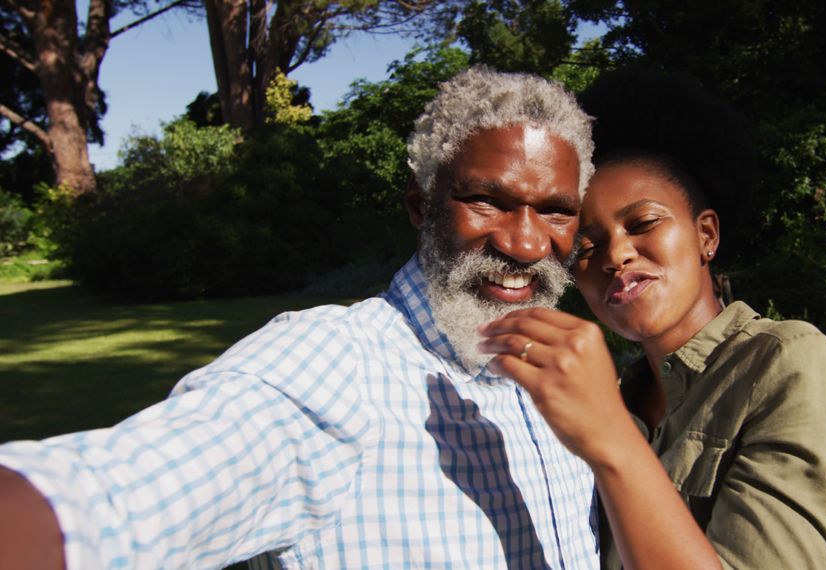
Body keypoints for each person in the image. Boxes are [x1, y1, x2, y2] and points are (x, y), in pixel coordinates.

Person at [0, 66, 600, 569]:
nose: (525, 244)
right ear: (421, 208)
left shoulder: (565, 375)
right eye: (487, 201)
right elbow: (117, 498)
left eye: (555, 212)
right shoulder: (333, 366)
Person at [478, 70, 826, 569]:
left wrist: (609, 437)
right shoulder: (618, 393)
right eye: (586, 246)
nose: (615, 255)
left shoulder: (785, 363)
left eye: (642, 223)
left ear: (706, 235)